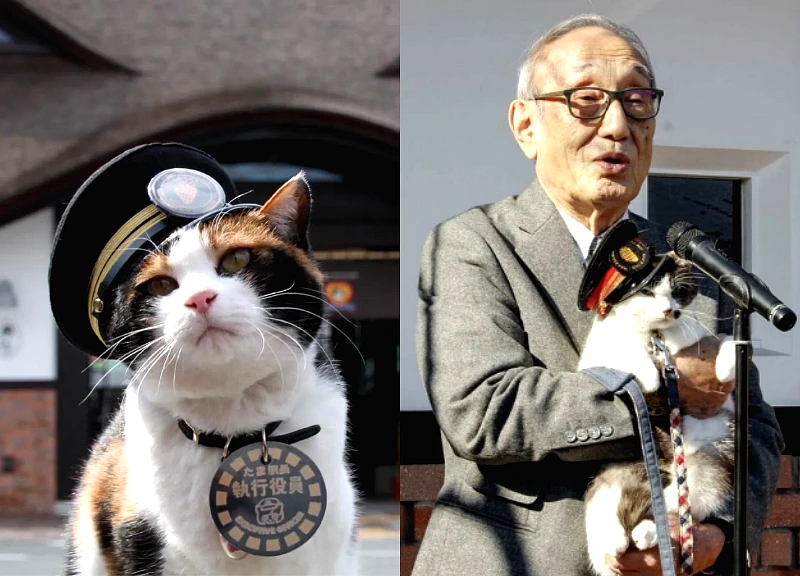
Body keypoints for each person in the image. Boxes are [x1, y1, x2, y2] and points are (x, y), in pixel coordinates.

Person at [414, 14, 783, 576]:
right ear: (525, 125)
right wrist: (664, 395)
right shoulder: (469, 243)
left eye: (637, 100)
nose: (617, 125)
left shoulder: (688, 262)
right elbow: (484, 410)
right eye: (586, 99)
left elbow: (754, 426)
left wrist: (719, 531)